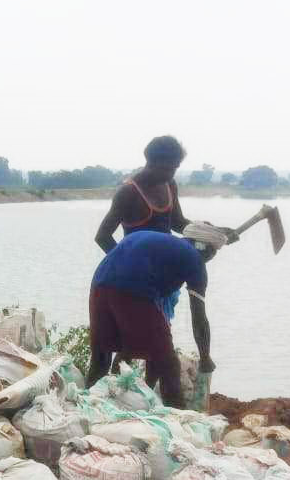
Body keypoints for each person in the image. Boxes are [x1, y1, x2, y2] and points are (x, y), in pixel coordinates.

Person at [94, 134, 234, 320]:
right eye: (169, 168)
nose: (172, 173)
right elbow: (102, 237)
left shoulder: (169, 184)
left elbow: (177, 222)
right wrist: (128, 266)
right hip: (139, 279)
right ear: (153, 162)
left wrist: (212, 232)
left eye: (175, 168)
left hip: (166, 273)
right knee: (144, 334)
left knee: (158, 330)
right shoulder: (128, 193)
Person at [86, 229, 215, 407]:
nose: (209, 260)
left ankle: (86, 407)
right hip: (134, 290)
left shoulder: (162, 242)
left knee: (101, 358)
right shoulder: (195, 260)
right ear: (206, 249)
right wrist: (205, 356)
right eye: (212, 255)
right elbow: (199, 317)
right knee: (169, 364)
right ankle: (175, 421)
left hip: (100, 283)